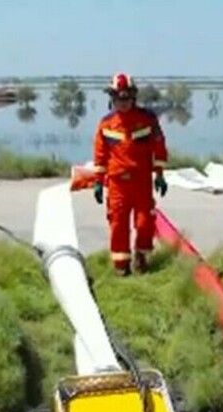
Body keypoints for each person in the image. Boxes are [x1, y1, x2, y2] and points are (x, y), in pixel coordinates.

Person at [92, 73, 169, 276]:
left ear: (133, 97)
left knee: (145, 223)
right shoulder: (105, 124)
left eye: (125, 98)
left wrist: (160, 174)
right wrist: (98, 182)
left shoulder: (148, 119)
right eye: (118, 98)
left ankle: (141, 257)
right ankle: (121, 266)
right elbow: (100, 156)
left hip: (142, 182)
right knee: (118, 225)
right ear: (112, 99)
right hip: (117, 184)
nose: (122, 102)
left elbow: (159, 146)